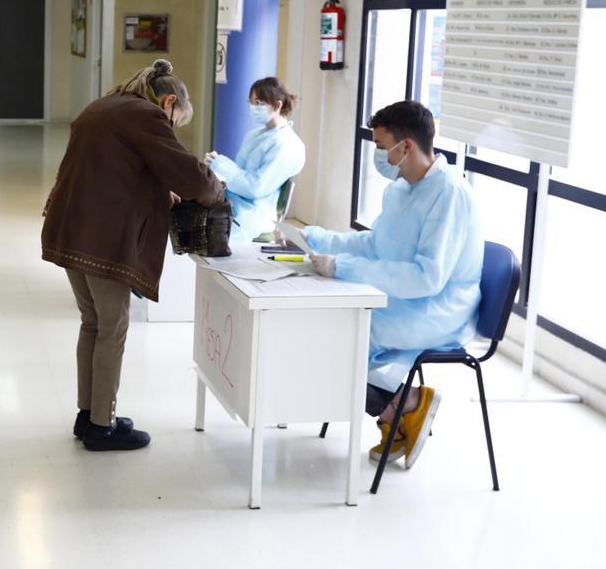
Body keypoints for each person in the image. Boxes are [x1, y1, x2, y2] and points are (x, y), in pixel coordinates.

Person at [41, 59, 226, 451]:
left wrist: (157, 190)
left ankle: (87, 414)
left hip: (71, 226)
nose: (172, 129)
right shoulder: (145, 116)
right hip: (102, 236)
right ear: (169, 102)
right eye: (176, 122)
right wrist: (216, 191)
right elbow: (189, 174)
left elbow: (117, 168)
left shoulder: (105, 105)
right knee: (113, 327)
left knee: (92, 323)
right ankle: (102, 426)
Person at [303, 100, 482, 468]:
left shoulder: (449, 193)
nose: (379, 156)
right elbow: (375, 244)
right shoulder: (402, 188)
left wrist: (344, 269)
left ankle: (404, 406)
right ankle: (402, 409)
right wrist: (321, 239)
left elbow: (426, 278)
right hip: (406, 298)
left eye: (383, 148)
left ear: (407, 147)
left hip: (439, 309)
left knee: (341, 336)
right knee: (329, 331)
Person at [204, 77, 306, 244]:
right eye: (251, 102)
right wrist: (218, 171)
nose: (253, 108)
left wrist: (221, 166)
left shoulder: (288, 145)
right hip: (236, 203)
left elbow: (256, 187)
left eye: (258, 102)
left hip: (253, 216)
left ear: (278, 105)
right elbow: (240, 174)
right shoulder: (254, 136)